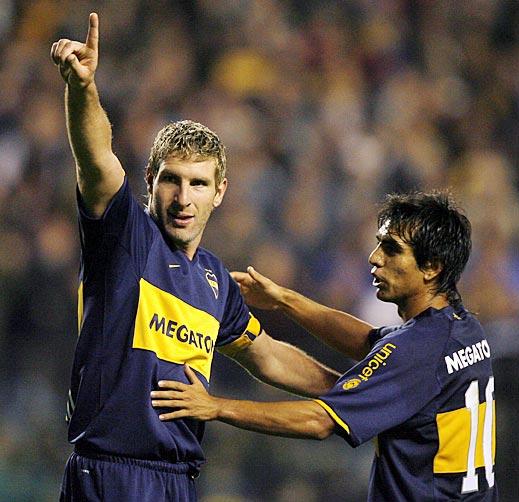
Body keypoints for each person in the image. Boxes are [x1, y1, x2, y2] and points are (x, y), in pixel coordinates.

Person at [50, 13, 340, 502]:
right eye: (172, 179)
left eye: (199, 183)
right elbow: (96, 157)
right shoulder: (125, 237)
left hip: (178, 481)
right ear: (150, 181)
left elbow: (268, 356)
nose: (183, 198)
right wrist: (83, 89)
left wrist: (352, 389)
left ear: (219, 192)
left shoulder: (216, 281)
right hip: (110, 475)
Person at [152, 191, 498, 501]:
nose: (375, 258)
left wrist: (215, 407)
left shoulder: (415, 350)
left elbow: (320, 421)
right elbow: (370, 341)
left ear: (432, 267)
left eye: (392, 249)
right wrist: (284, 299)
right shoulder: (462, 329)